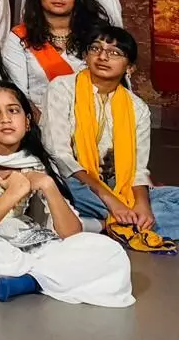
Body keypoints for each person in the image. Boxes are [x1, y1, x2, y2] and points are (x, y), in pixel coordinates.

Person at [0, 78, 132, 305]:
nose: (5, 119)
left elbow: (72, 233)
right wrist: (15, 192)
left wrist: (48, 186)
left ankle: (30, 280)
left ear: (27, 121)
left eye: (13, 110)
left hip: (26, 242)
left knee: (110, 252)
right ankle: (43, 276)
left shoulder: (33, 163)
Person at [43, 24, 179, 246]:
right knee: (59, 186)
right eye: (96, 49)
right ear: (86, 56)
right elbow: (59, 155)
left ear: (130, 68)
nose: (103, 56)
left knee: (170, 197)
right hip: (74, 183)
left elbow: (137, 170)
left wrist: (142, 204)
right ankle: (121, 221)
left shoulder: (137, 108)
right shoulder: (62, 88)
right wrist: (111, 200)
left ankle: (105, 223)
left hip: (116, 185)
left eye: (115, 52)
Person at [3, 0, 108, 112]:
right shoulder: (20, 37)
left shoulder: (99, 36)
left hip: (94, 117)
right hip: (40, 119)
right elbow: (18, 95)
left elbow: (112, 84)